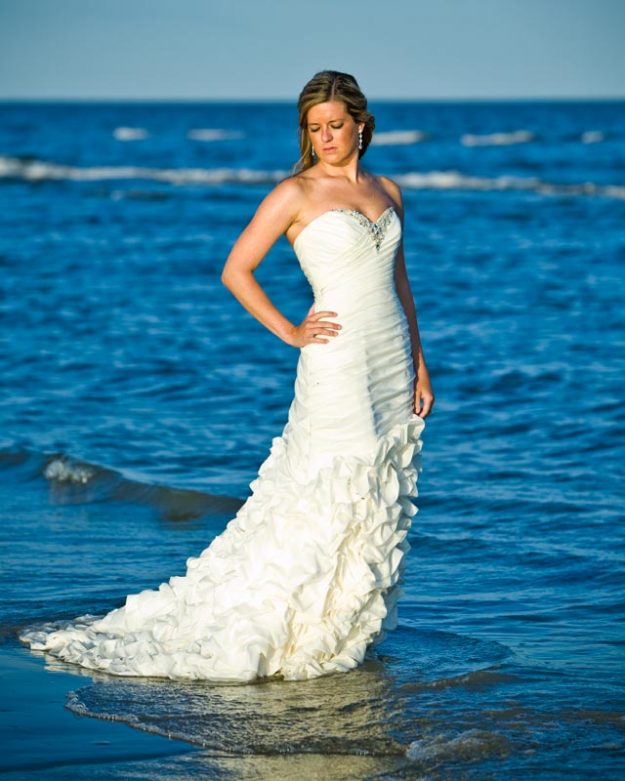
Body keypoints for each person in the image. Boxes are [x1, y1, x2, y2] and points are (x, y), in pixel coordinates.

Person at [19, 70, 434, 683]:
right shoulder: (294, 193)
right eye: (314, 128)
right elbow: (236, 270)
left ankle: (345, 620)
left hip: (390, 356)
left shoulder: (389, 190)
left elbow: (400, 282)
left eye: (335, 126)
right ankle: (293, 619)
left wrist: (421, 363)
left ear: (361, 125)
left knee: (375, 486)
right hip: (337, 358)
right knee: (326, 482)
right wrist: (291, 331)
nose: (325, 137)